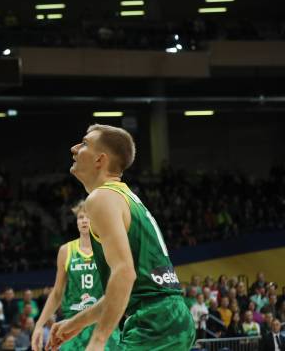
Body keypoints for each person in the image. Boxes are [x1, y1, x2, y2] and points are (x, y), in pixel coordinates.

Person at [49, 124, 195, 350]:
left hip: (154, 321)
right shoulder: (124, 196)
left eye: (85, 144)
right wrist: (75, 324)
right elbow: (121, 293)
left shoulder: (102, 197)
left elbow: (125, 273)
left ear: (100, 159)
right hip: (167, 317)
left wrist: (98, 340)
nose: (74, 148)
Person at [31, 201, 120, 351]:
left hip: (102, 320)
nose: (84, 220)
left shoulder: (107, 247)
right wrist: (39, 325)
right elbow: (57, 293)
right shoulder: (66, 250)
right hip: (72, 323)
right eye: (80, 217)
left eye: (88, 217)